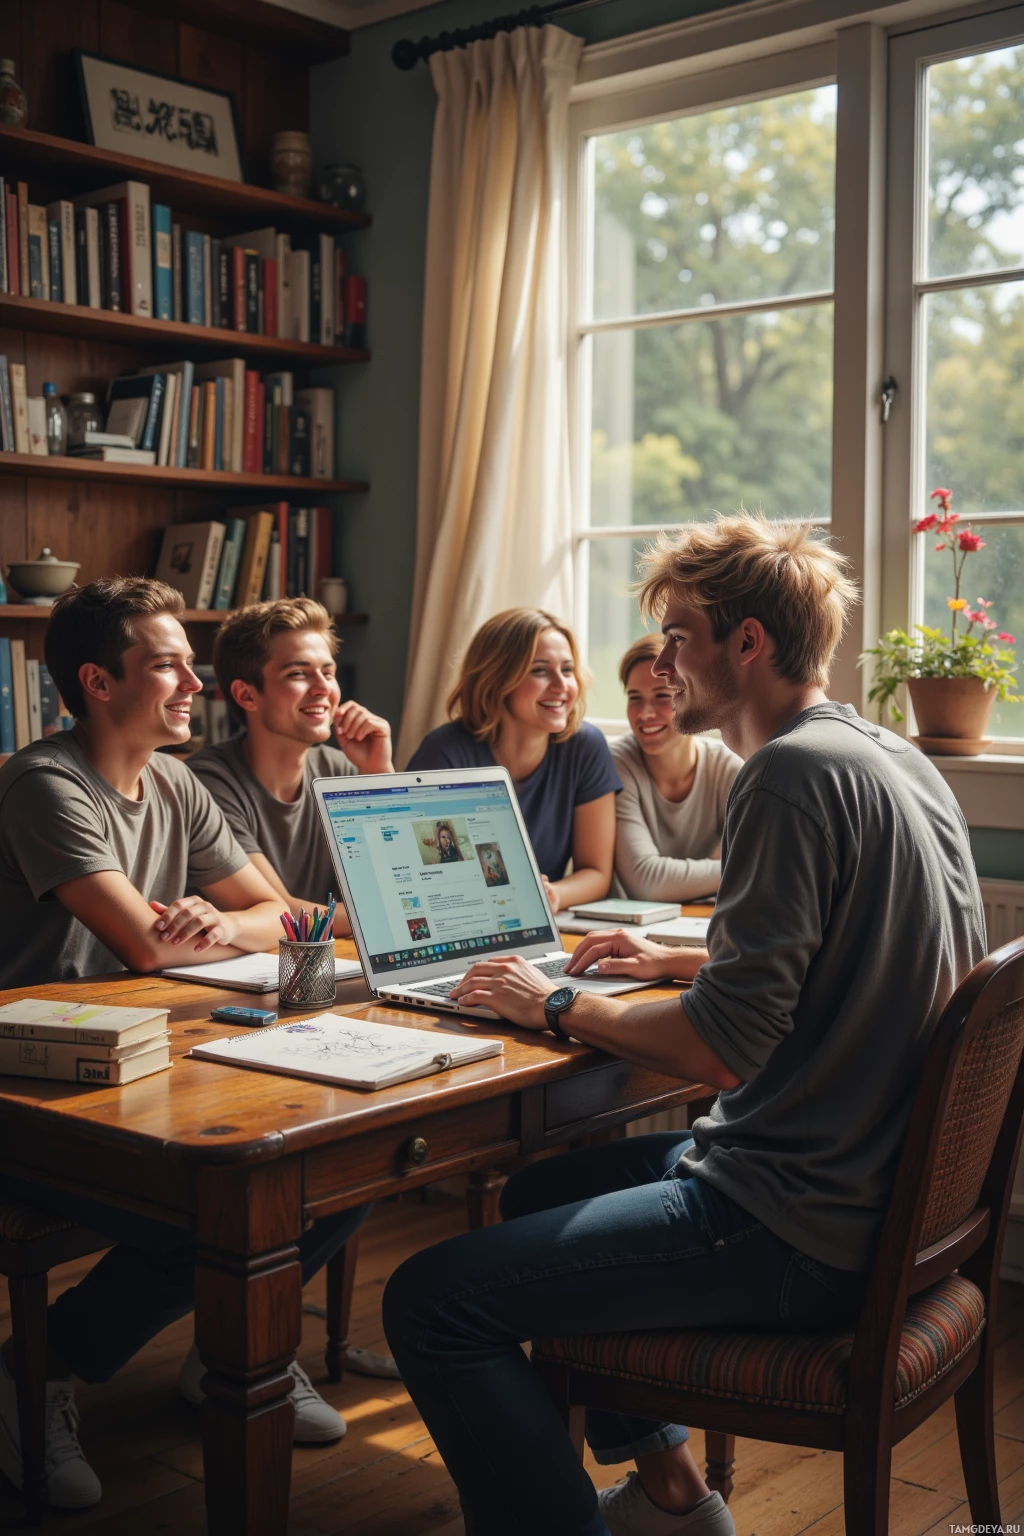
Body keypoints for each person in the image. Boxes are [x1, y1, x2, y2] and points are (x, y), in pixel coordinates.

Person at [381, 515, 987, 1536]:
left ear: (743, 644)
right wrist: (683, 958)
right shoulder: (883, 751)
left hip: (795, 1224)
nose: (660, 663)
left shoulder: (786, 777)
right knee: (541, 1188)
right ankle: (671, 1496)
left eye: (677, 636)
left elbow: (718, 1048)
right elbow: (860, 944)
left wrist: (557, 1001)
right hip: (880, 1194)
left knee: (429, 1301)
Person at [0, 579, 366, 1511]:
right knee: (209, 1218)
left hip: (156, 1052)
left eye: (190, 663)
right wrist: (222, 924)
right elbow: (146, 943)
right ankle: (28, 1379)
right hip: (37, 1080)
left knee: (346, 1169)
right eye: (167, 664)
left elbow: (296, 914)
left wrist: (229, 920)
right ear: (98, 681)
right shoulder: (42, 783)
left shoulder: (176, 779)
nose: (193, 682)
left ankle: (223, 1354)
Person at [189, 597, 394, 937]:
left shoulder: (342, 770)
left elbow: (403, 885)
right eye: (298, 673)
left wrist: (378, 771)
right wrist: (389, 916)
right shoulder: (208, 783)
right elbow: (282, 912)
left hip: (328, 964)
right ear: (247, 695)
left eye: (328, 672)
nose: (324, 689)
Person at [408, 609, 620, 913]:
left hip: (544, 922)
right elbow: (429, 874)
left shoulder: (586, 747)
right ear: (497, 678)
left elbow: (597, 872)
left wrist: (552, 895)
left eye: (568, 669)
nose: (562, 686)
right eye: (540, 670)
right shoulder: (445, 752)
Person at [612, 635, 741, 902]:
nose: (645, 713)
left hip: (702, 923)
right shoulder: (616, 764)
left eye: (661, 696)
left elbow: (758, 866)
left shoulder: (728, 768)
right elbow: (645, 882)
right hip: (627, 930)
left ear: (689, 695)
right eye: (634, 698)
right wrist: (731, 869)